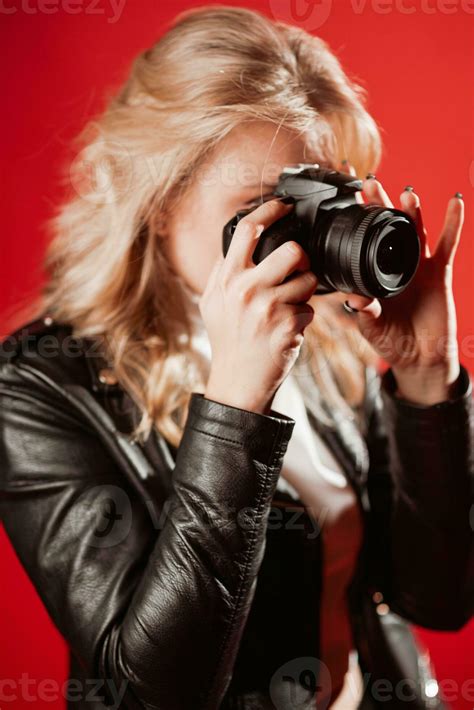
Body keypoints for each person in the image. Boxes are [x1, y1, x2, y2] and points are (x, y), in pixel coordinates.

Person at [0, 6, 472, 710]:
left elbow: (437, 598)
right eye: (271, 208)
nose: (307, 239)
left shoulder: (326, 337)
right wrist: (234, 405)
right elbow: (151, 693)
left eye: (325, 199)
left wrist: (428, 378)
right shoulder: (39, 384)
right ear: (157, 203)